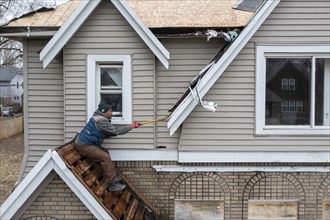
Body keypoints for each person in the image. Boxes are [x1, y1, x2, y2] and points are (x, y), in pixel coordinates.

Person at [74, 101, 140, 191]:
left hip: (88, 143)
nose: (112, 113)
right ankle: (112, 183)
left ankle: (111, 176)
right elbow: (116, 131)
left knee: (106, 153)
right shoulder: (100, 121)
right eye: (110, 111)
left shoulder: (100, 118)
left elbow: (108, 132)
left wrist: (128, 127)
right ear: (104, 111)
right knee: (105, 157)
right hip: (84, 145)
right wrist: (131, 126)